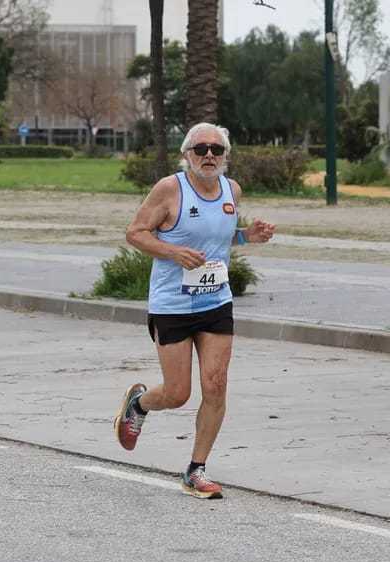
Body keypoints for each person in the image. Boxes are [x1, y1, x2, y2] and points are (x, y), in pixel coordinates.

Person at [114, 122, 275, 499]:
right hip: (172, 305)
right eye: (200, 149)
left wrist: (248, 236)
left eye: (216, 150)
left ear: (225, 156)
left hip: (216, 300)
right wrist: (173, 253)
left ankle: (196, 469)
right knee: (177, 393)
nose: (208, 156)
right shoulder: (170, 189)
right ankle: (138, 404)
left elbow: (221, 236)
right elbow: (135, 233)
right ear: (186, 154)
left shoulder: (231, 190)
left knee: (216, 385)